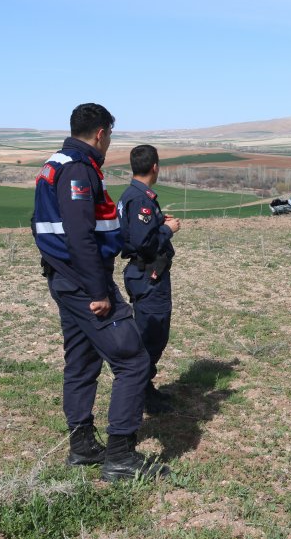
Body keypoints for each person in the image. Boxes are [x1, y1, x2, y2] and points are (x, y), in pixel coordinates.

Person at [31, 103, 169, 482]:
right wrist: (98, 290)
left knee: (82, 360)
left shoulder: (54, 164)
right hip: (84, 283)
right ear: (101, 133)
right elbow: (78, 234)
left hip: (65, 278)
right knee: (133, 360)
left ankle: (82, 447)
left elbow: (37, 222)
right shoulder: (77, 168)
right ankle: (120, 456)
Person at [117, 144, 180, 414]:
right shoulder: (141, 198)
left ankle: (144, 387)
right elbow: (144, 243)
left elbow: (137, 232)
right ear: (155, 166)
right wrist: (166, 229)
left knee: (151, 333)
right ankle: (140, 392)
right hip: (148, 276)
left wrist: (157, 223)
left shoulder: (132, 194)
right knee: (153, 334)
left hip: (144, 274)